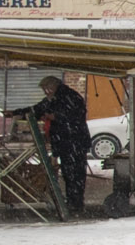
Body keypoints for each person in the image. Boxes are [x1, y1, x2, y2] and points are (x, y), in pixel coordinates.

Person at [7, 76, 93, 212]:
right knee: (69, 173)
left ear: (53, 87)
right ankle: (74, 202)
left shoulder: (69, 97)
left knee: (74, 174)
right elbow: (37, 109)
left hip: (73, 140)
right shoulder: (54, 98)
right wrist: (18, 113)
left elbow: (74, 116)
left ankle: (75, 203)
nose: (45, 92)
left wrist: (55, 116)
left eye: (45, 89)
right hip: (67, 141)